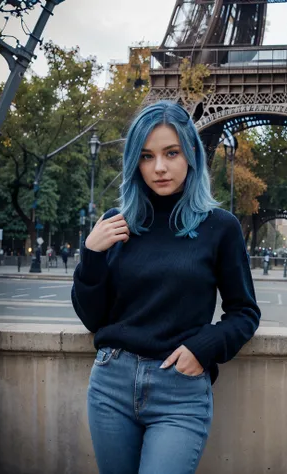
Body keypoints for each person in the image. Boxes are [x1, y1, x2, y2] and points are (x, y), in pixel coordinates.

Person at [71, 101, 261, 474]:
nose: (159, 167)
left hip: (180, 391)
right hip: (111, 384)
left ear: (190, 153)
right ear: (134, 163)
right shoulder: (116, 224)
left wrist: (201, 348)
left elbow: (244, 313)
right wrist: (91, 254)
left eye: (171, 153)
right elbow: (93, 317)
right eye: (146, 156)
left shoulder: (219, 227)